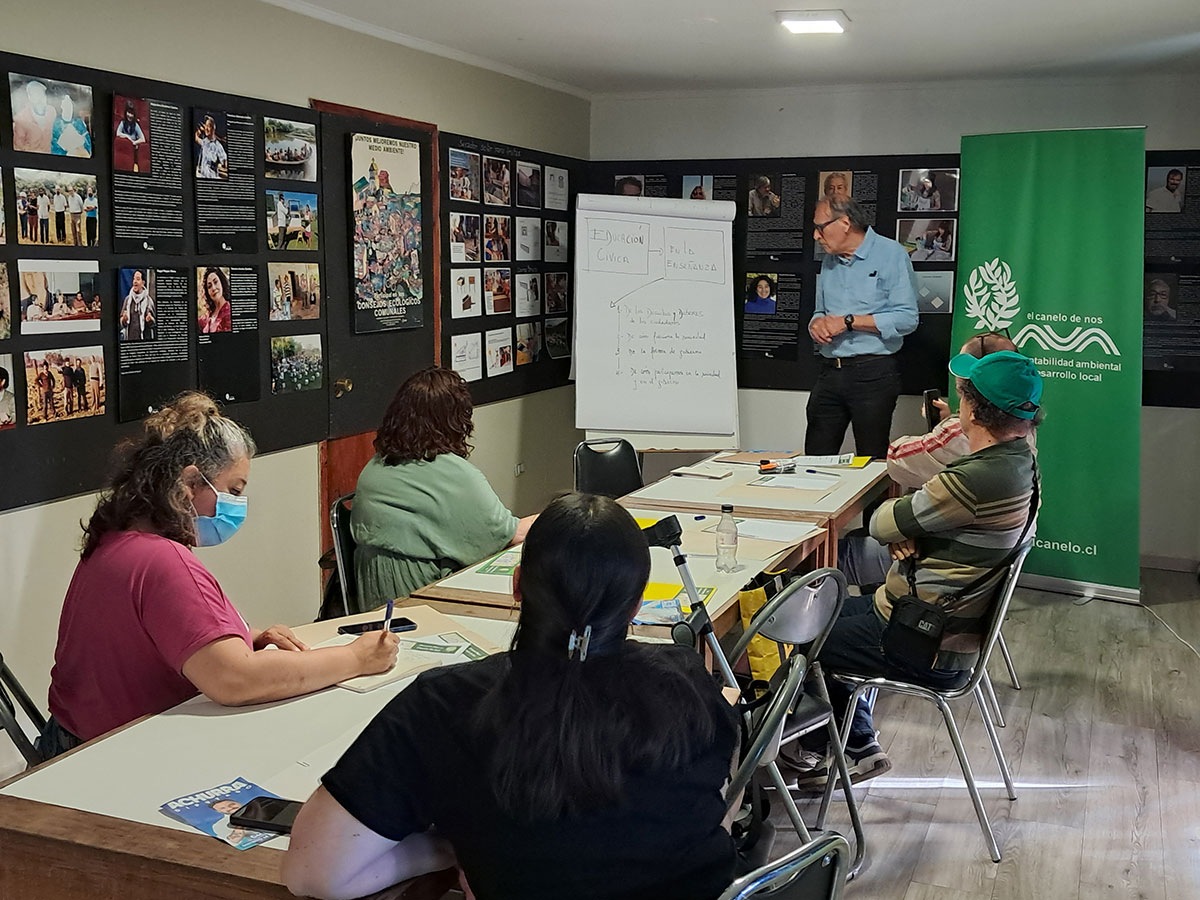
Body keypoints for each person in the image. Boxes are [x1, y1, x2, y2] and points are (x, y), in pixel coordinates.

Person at [284, 493, 740, 900]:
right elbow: (723, 800)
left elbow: (313, 873)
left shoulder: (443, 704)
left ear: (517, 585)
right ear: (637, 604)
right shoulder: (686, 679)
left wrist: (445, 847)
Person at [39, 393, 401, 759]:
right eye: (233, 490)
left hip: (72, 741)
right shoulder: (163, 561)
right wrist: (356, 658)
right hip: (110, 756)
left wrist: (245, 636)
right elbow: (236, 680)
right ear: (192, 481)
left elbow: (146, 638)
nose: (237, 504)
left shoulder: (116, 539)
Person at [787, 351, 1043, 786]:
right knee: (821, 609)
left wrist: (904, 526)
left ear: (973, 409)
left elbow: (880, 521)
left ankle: (818, 752)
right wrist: (913, 527)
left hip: (923, 638)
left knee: (797, 630)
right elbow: (910, 523)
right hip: (943, 626)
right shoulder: (1021, 461)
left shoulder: (974, 478)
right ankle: (858, 745)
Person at [350, 367, 536, 611]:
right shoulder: (453, 473)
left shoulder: (375, 466)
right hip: (419, 595)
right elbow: (506, 534)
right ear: (456, 419)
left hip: (373, 597)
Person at [806, 195, 919, 457]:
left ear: (845, 223)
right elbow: (820, 312)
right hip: (830, 371)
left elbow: (907, 318)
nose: (816, 235)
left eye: (820, 227)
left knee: (871, 459)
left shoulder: (891, 255)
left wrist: (848, 322)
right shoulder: (829, 261)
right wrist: (817, 324)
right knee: (814, 457)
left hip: (873, 373)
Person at [887, 333, 1034, 490]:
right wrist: (950, 419)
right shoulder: (1024, 424)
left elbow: (897, 459)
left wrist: (950, 426)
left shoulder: (959, 434)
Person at [12, 80, 54, 153]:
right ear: (30, 97)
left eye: (42, 94)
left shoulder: (51, 111)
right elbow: (17, 148)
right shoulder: (20, 118)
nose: (40, 99)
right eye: (36, 95)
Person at [51, 93, 91, 157]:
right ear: (62, 106)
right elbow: (53, 147)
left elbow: (88, 144)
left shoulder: (78, 123)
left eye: (70, 104)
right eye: (66, 104)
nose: (69, 107)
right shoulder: (56, 124)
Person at [120, 270, 156, 341]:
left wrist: (150, 320)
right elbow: (121, 322)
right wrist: (124, 319)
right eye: (134, 279)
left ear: (143, 283)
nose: (135, 281)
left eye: (138, 279)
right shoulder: (127, 300)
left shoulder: (149, 301)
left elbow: (154, 324)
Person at [198, 267, 233, 333]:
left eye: (215, 282)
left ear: (221, 283)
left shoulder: (229, 312)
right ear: (207, 292)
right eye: (209, 286)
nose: (213, 288)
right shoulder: (209, 315)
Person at [115, 101, 147, 171]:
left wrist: (133, 142)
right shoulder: (122, 122)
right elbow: (118, 133)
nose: (130, 115)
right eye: (128, 112)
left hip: (133, 149)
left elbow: (143, 139)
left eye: (132, 113)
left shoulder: (135, 125)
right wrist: (127, 137)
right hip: (124, 148)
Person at [194, 114, 228, 179]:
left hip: (211, 178)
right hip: (202, 176)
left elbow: (224, 160)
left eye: (208, 126)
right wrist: (197, 133)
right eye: (205, 126)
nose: (206, 128)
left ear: (213, 128)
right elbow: (197, 139)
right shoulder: (204, 142)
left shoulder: (218, 146)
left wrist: (221, 165)